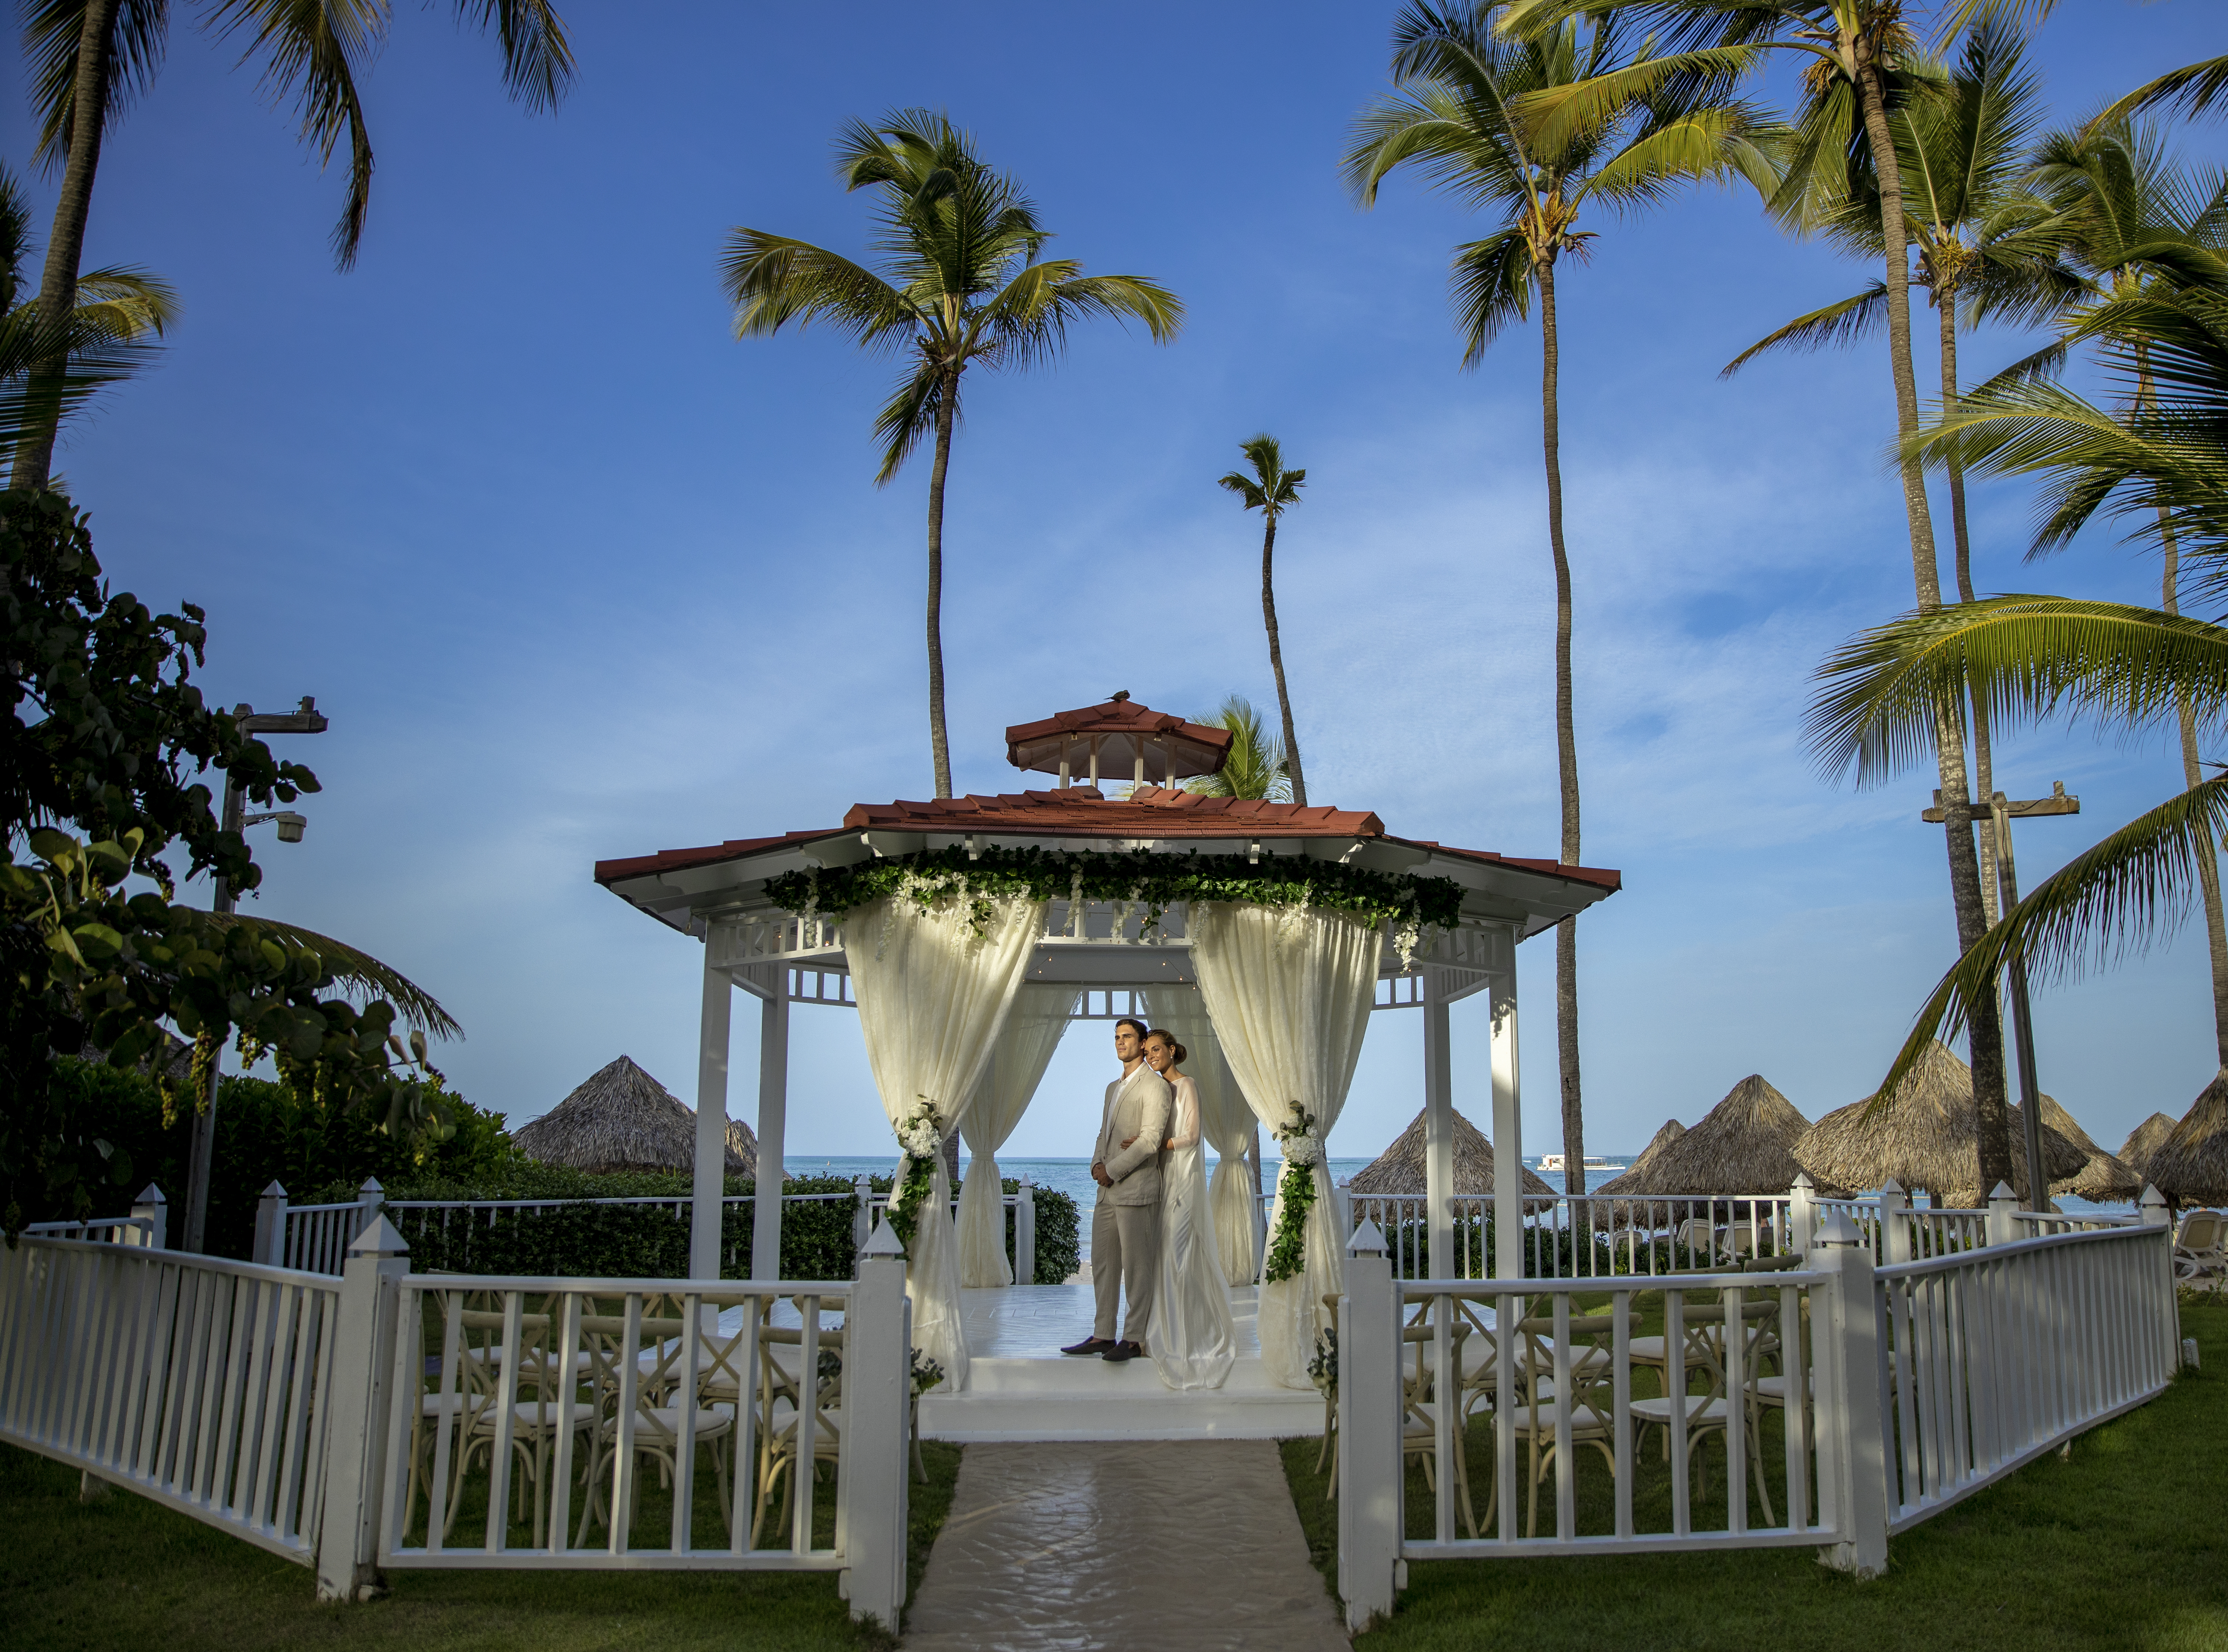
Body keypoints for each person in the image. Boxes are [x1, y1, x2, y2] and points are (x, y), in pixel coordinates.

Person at [1060, 1017, 1171, 1364]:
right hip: (1106, 1191)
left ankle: (1134, 1338)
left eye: (1127, 1037)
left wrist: (1112, 1170)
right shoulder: (1112, 1087)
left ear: (1142, 1044)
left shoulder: (1155, 1086)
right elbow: (1104, 1133)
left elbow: (1152, 1139)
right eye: (1116, 1037)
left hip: (1136, 1188)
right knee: (1104, 1264)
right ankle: (1103, 1334)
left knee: (1137, 1267)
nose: (1120, 1042)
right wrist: (1096, 1165)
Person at [1139, 1029, 1236, 1390]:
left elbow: (1192, 1136)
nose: (1151, 1056)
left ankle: (1191, 1332)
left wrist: (1158, 1143)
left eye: (1156, 1050)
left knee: (1179, 1253)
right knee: (1163, 1252)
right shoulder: (1156, 1089)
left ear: (1171, 1051)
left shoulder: (1187, 1085)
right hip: (1161, 1177)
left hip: (1183, 1177)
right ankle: (1164, 1328)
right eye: (1147, 1051)